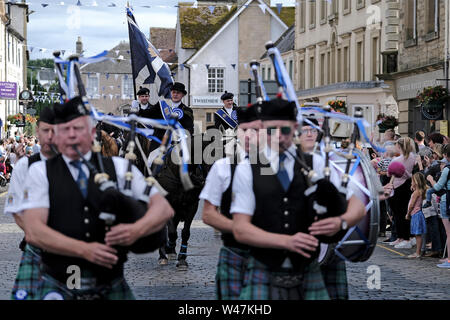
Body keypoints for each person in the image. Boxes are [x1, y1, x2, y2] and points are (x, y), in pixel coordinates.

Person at [19, 96, 174, 299]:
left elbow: (163, 209)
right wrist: (84, 250)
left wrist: (135, 230)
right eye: (66, 130)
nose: (72, 135)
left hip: (110, 283)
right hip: (58, 284)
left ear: (92, 132)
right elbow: (34, 231)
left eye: (79, 129)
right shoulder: (40, 172)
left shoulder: (120, 168)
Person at [230, 98, 365, 300]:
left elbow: (357, 206)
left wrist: (340, 221)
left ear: (294, 128)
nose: (278, 137)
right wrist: (287, 241)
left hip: (309, 269)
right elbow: (240, 229)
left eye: (284, 130)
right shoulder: (247, 169)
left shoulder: (316, 163)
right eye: (270, 130)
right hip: (264, 269)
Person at [200, 103, 262, 300]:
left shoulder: (279, 166)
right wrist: (239, 228)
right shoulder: (222, 167)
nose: (248, 136)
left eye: (255, 131)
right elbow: (208, 214)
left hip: (269, 255)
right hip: (235, 251)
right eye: (244, 130)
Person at [4, 106, 57, 300]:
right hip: (37, 246)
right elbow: (17, 212)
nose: (50, 136)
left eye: (55, 131)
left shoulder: (74, 164)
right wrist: (40, 236)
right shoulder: (25, 166)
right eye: (45, 130)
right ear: (37, 132)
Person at [387, 137, 416, 249]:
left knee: (398, 214)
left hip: (398, 186)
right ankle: (405, 237)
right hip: (407, 185)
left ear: (399, 146)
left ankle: (404, 238)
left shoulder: (397, 160)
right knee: (405, 212)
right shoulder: (413, 157)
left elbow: (389, 173)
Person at [426, 144, 450, 268]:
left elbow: (437, 187)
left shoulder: (447, 169)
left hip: (447, 199)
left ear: (446, 155)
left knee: (449, 232)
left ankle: (449, 260)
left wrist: (430, 179)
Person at [405, 172, 427, 258]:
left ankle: (417, 252)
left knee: (417, 235)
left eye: (412, 181)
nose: (411, 183)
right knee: (418, 234)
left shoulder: (416, 193)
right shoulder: (420, 191)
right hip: (418, 213)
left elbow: (411, 205)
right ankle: (420, 251)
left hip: (415, 214)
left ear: (416, 182)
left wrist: (408, 213)